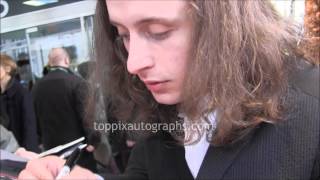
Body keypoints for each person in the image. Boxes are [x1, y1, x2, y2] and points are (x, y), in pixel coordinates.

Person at [19, 1, 319, 180]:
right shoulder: (164, 109)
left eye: (158, 32)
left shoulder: (310, 117)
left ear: (228, 23)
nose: (133, 62)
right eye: (123, 35)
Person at [31, 47, 97, 171]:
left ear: (50, 63)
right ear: (67, 60)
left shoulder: (36, 87)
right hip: (79, 149)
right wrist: (93, 140)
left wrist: (39, 140)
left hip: (50, 149)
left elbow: (34, 116)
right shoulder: (77, 82)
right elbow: (87, 115)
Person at [0, 54, 39, 152]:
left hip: (22, 151)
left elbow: (29, 126)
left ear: (7, 69)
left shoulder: (21, 93)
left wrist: (29, 155)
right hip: (7, 151)